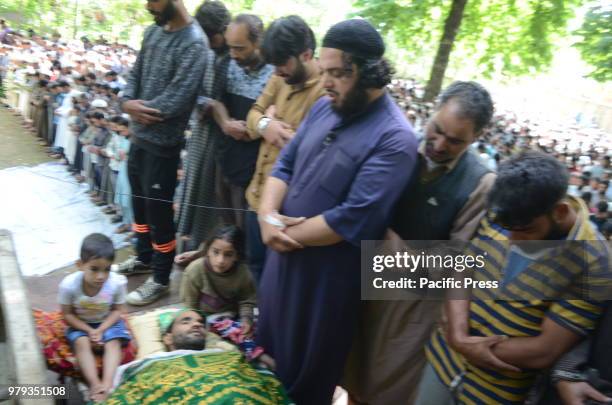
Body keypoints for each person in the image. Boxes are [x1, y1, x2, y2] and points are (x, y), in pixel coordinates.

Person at [256, 19, 418, 404]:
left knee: (304, 382)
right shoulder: (325, 107)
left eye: (338, 74)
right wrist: (266, 215)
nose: (326, 82)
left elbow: (353, 218)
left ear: (369, 71)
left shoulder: (395, 138)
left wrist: (280, 232)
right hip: (281, 263)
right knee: (266, 359)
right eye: (325, 71)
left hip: (325, 285)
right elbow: (285, 165)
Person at [415, 152, 611, 405]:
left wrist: (466, 345)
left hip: (493, 391)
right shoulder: (507, 210)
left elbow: (546, 350)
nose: (512, 240)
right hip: (443, 361)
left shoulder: (594, 261)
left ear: (560, 212)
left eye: (526, 230)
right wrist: (457, 335)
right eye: (507, 230)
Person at [344, 81, 496, 404]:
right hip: (360, 285)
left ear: (476, 138)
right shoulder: (398, 147)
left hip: (411, 304)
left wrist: (388, 244)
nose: (439, 145)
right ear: (432, 112)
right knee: (349, 375)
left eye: (455, 141)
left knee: (385, 387)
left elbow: (459, 259)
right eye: (436, 130)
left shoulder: (481, 183)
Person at [113, 0, 209, 305]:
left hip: (163, 148)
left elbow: (177, 100)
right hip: (138, 140)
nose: (147, 6)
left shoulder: (195, 44)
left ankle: (160, 277)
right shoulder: (153, 32)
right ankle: (142, 256)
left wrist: (137, 110)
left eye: (152, 0)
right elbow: (135, 73)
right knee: (139, 207)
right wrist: (126, 102)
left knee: (159, 215)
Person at [243, 15, 326, 283]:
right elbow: (252, 115)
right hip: (255, 197)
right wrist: (267, 124)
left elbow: (306, 148)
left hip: (285, 211)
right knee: (255, 266)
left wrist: (272, 127)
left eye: (282, 64)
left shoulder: (325, 94)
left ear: (307, 54)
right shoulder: (280, 77)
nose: (277, 72)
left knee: (277, 278)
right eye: (274, 66)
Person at [105, 309, 292, 404]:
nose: (196, 325)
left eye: (200, 323)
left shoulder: (229, 357)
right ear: (167, 337)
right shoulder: (145, 367)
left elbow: (266, 383)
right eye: (186, 321)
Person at [175, 0, 231, 256]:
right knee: (197, 192)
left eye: (214, 36)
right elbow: (192, 93)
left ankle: (212, 251)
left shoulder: (236, 57)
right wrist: (207, 104)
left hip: (225, 141)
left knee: (217, 199)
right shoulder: (204, 53)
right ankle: (195, 246)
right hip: (203, 133)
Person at [208, 13, 274, 229]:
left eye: (240, 48)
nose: (233, 54)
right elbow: (216, 101)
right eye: (230, 47)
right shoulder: (226, 63)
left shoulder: (276, 73)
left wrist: (255, 130)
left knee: (245, 223)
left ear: (258, 42)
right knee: (225, 221)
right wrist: (226, 122)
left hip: (255, 165)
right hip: (225, 155)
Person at [58, 234, 130, 403]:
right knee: (81, 343)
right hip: (80, 324)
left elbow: (118, 310)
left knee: (113, 342)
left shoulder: (116, 283)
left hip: (108, 322)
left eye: (107, 269)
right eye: (94, 269)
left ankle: (107, 383)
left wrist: (102, 329)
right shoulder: (69, 286)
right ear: (80, 265)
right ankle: (95, 384)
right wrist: (89, 330)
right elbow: (67, 315)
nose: (101, 276)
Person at [180, 225, 256, 337]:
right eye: (216, 252)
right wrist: (199, 326)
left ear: (237, 256)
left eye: (228, 255)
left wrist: (246, 320)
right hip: (202, 321)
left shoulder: (243, 274)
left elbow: (247, 301)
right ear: (207, 251)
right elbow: (190, 307)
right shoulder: (194, 271)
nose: (220, 261)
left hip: (232, 320)